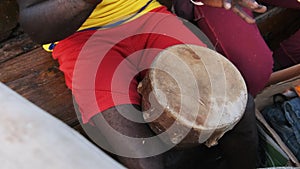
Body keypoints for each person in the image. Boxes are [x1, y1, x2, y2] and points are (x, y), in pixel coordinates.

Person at [16, 0, 267, 168]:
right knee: (143, 158)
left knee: (237, 111)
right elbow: (37, 28)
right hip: (76, 38)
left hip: (145, 13)